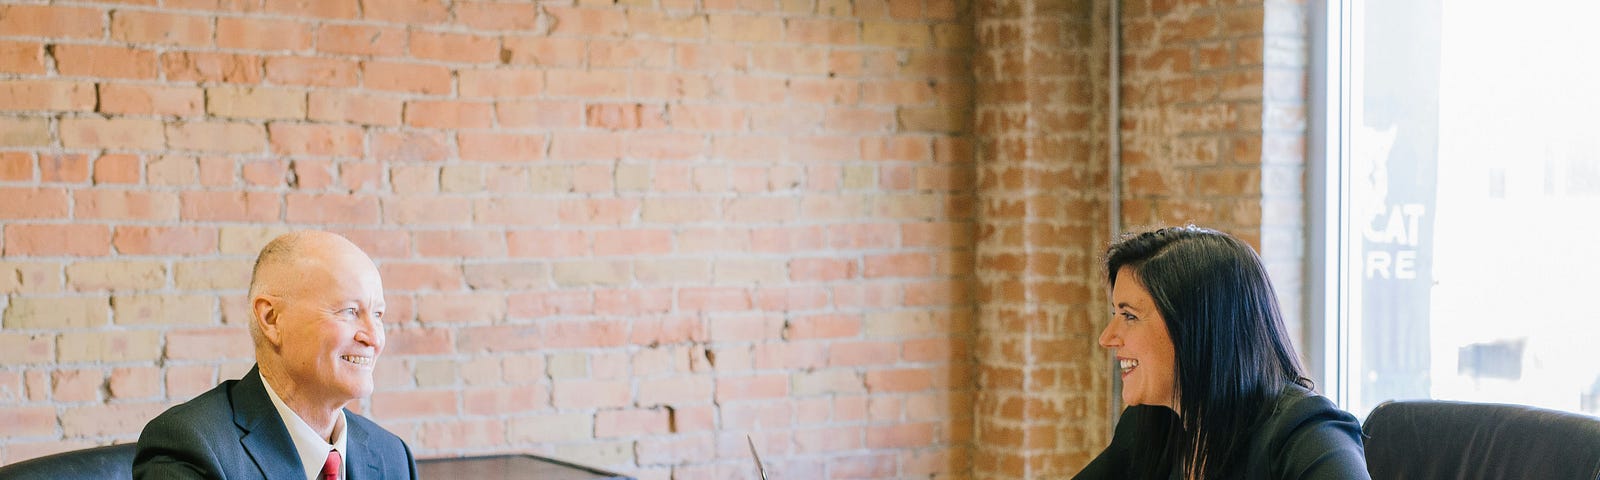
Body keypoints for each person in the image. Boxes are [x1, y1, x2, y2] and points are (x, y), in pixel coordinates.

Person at [1074, 226, 1369, 479]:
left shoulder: (1306, 432)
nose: (1106, 338)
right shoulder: (1149, 426)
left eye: (1129, 316)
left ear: (1194, 327)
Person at [135, 231, 417, 479]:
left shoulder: (392, 456)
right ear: (271, 319)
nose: (374, 338)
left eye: (378, 314)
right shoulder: (191, 447)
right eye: (349, 311)